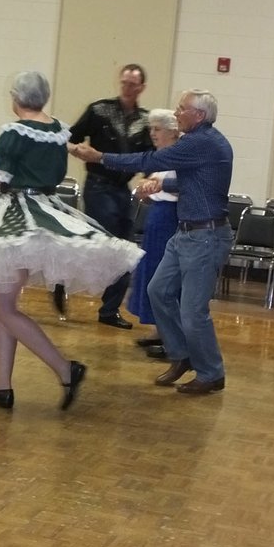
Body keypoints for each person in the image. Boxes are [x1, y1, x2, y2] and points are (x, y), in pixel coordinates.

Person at [0, 71, 144, 411]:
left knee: (4, 306)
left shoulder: (14, 132)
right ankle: (3, 386)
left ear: (16, 97)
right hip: (45, 210)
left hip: (18, 215)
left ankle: (66, 368)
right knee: (0, 305)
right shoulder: (56, 130)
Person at [73, 89, 233, 395]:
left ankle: (212, 373)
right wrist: (164, 182)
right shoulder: (200, 142)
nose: (176, 113)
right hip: (187, 233)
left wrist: (100, 156)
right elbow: (196, 181)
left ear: (198, 115)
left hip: (205, 237)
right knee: (158, 290)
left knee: (193, 311)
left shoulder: (202, 142)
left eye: (181, 108)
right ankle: (182, 356)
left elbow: (149, 158)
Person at [69, 62, 153, 329]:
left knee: (126, 249)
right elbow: (68, 137)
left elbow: (150, 159)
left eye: (133, 84)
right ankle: (62, 279)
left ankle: (109, 309)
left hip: (122, 190)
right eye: (124, 83)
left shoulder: (146, 120)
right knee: (106, 245)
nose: (127, 88)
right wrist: (78, 151)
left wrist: (150, 181)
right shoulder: (99, 110)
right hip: (98, 185)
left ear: (141, 87)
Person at [128, 109, 179, 359]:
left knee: (164, 276)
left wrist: (155, 188)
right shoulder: (162, 157)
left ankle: (171, 336)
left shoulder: (180, 157)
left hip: (170, 219)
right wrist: (145, 191)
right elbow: (153, 186)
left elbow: (181, 189)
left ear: (172, 131)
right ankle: (159, 330)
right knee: (152, 273)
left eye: (157, 129)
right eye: (151, 129)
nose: (153, 134)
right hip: (157, 216)